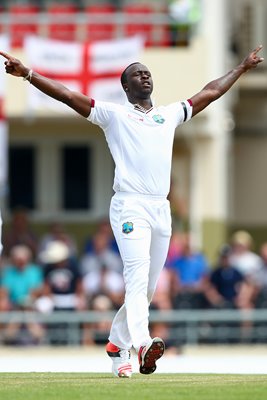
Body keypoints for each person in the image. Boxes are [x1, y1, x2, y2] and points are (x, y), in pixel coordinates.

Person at [0, 45, 263, 377]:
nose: (145, 75)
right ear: (126, 87)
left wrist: (241, 67)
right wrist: (28, 74)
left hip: (160, 207)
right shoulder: (113, 114)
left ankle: (115, 344)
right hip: (130, 205)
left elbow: (209, 92)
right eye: (137, 73)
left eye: (147, 72)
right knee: (136, 278)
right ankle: (142, 344)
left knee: (148, 289)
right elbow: (67, 95)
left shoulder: (168, 114)